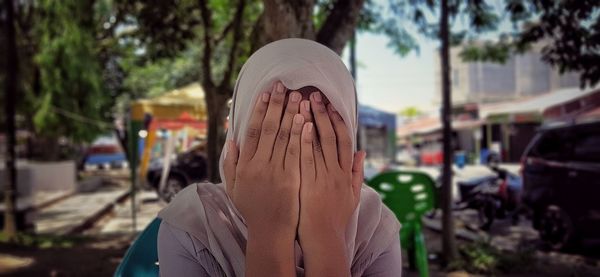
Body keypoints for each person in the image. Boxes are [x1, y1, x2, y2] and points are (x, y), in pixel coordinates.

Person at [157, 38, 401, 277]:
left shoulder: (375, 226)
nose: (298, 153)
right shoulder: (193, 225)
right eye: (273, 134)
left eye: (321, 133)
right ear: (239, 137)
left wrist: (325, 233)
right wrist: (268, 231)